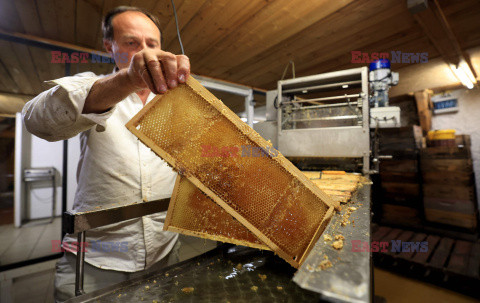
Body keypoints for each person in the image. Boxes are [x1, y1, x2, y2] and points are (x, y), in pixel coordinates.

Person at [22, 6, 190, 302]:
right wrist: (127, 80)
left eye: (152, 44)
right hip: (98, 258)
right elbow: (36, 120)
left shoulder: (176, 102)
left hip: (166, 250)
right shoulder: (92, 85)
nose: (144, 52)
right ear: (109, 46)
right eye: (131, 42)